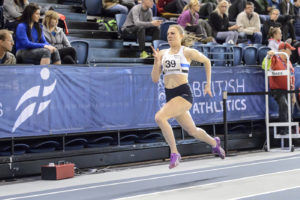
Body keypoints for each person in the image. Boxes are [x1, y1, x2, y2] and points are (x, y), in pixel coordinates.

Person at [151, 24, 225, 169]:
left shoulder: (187, 52)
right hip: (170, 96)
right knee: (192, 130)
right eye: (168, 34)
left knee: (160, 117)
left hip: (183, 94)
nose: (169, 36)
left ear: (181, 36)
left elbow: (207, 61)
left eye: (173, 33)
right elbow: (154, 79)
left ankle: (174, 152)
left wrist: (208, 84)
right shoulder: (162, 54)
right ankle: (214, 143)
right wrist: (156, 62)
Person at [265, 42, 296, 135]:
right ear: (283, 50)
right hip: (277, 90)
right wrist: (269, 56)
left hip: (288, 90)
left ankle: (289, 129)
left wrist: (293, 95)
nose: (291, 52)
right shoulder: (275, 58)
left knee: (290, 108)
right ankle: (283, 129)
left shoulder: (289, 62)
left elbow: (292, 78)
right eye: (289, 50)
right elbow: (266, 65)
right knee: (284, 104)